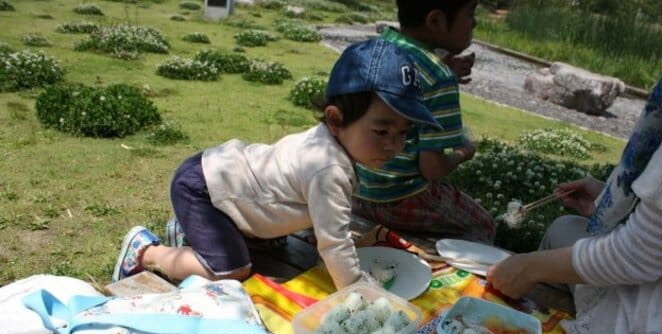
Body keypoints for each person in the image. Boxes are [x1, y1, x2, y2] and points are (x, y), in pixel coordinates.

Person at [111, 38, 441, 290]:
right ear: (335, 119)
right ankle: (146, 251)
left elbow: (308, 204)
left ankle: (196, 233)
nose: (393, 145)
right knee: (232, 271)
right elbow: (335, 244)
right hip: (205, 191)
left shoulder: (325, 143)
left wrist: (314, 234)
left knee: (273, 242)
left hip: (220, 185)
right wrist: (358, 291)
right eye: (381, 131)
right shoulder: (330, 168)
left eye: (403, 132)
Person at [486, 0, 662, 334]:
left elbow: (641, 256)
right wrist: (611, 201)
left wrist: (527, 267)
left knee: (553, 248)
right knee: (565, 228)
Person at [352, 0, 495, 244]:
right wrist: (463, 152)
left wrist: (442, 64)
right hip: (400, 197)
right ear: (436, 20)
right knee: (482, 224)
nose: (475, 23)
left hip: (355, 189)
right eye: (470, 13)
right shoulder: (438, 77)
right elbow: (432, 168)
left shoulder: (376, 48)